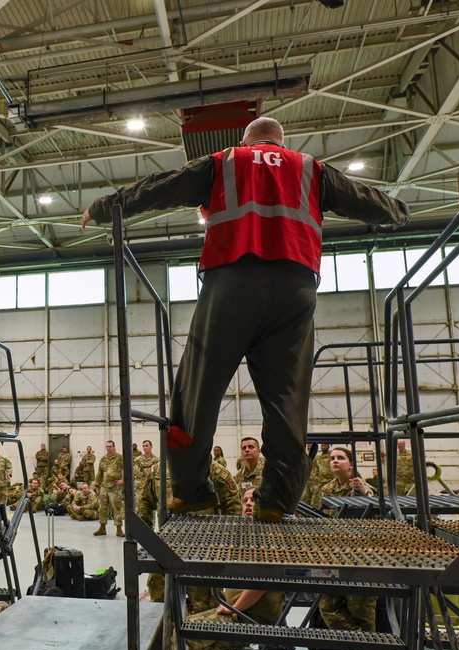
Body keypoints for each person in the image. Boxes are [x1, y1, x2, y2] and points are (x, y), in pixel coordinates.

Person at [82, 116, 409, 521]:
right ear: (280, 140)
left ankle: (193, 489)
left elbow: (160, 187)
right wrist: (398, 211)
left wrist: (104, 207)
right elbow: (369, 200)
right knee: (287, 398)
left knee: (197, 387)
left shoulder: (225, 161)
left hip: (233, 279)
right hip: (296, 289)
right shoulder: (311, 169)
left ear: (247, 140)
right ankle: (276, 501)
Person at [184, 486, 284, 650]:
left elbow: (262, 583)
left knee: (191, 634)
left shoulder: (267, 537)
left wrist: (232, 608)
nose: (248, 504)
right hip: (242, 612)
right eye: (245, 501)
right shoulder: (250, 533)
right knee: (191, 627)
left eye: (253, 500)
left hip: (251, 618)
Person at [319, 447, 381, 650]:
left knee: (361, 611)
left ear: (351, 464)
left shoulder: (362, 488)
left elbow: (379, 512)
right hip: (333, 555)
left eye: (341, 458)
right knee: (328, 606)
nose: (335, 461)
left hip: (360, 557)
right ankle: (362, 649)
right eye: (332, 458)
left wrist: (365, 494)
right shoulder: (327, 489)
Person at [94, 440, 124, 537]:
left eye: (110, 446)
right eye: (107, 446)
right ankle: (102, 528)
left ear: (114, 447)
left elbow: (129, 469)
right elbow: (99, 473)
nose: (108, 448)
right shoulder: (103, 459)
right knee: (102, 508)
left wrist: (123, 480)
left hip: (115, 487)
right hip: (104, 487)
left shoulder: (120, 458)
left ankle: (119, 529)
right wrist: (97, 485)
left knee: (117, 508)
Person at [133, 439, 159, 508]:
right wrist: (149, 470)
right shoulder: (138, 459)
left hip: (152, 486)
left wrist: (143, 469)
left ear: (151, 447)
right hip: (140, 486)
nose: (145, 448)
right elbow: (135, 471)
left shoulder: (156, 460)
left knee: (152, 505)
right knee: (139, 505)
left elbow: (156, 472)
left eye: (147, 446)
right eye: (143, 446)